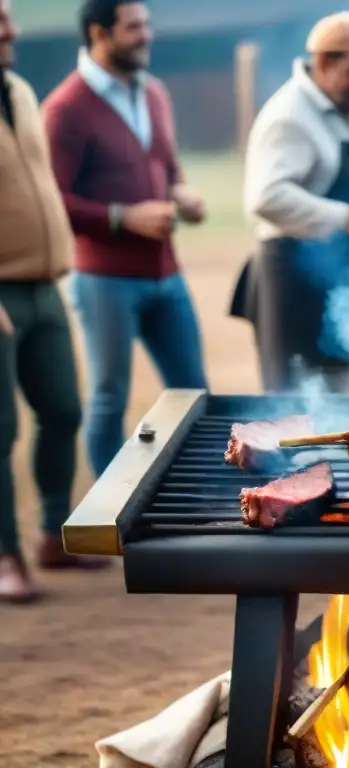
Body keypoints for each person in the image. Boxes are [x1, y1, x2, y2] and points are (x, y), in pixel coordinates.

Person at [42, 0, 208, 477]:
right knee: (108, 398)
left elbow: (168, 168)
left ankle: (201, 491)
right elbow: (55, 202)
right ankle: (107, 517)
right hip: (104, 280)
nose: (147, 35)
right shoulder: (64, 110)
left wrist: (183, 193)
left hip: (167, 273)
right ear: (100, 33)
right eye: (134, 27)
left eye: (147, 24)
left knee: (195, 392)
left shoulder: (154, 92)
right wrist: (123, 217)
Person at [234, 11, 349, 393]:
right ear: (323, 63)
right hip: (292, 277)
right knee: (293, 396)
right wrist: (345, 216)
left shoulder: (346, 105)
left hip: (340, 272)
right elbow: (265, 196)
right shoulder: (289, 117)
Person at [0, 0, 107, 604]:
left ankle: (50, 532)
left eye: (9, 18)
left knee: (64, 411)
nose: (10, 30)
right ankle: (5, 553)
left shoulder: (16, 89)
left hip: (45, 285)